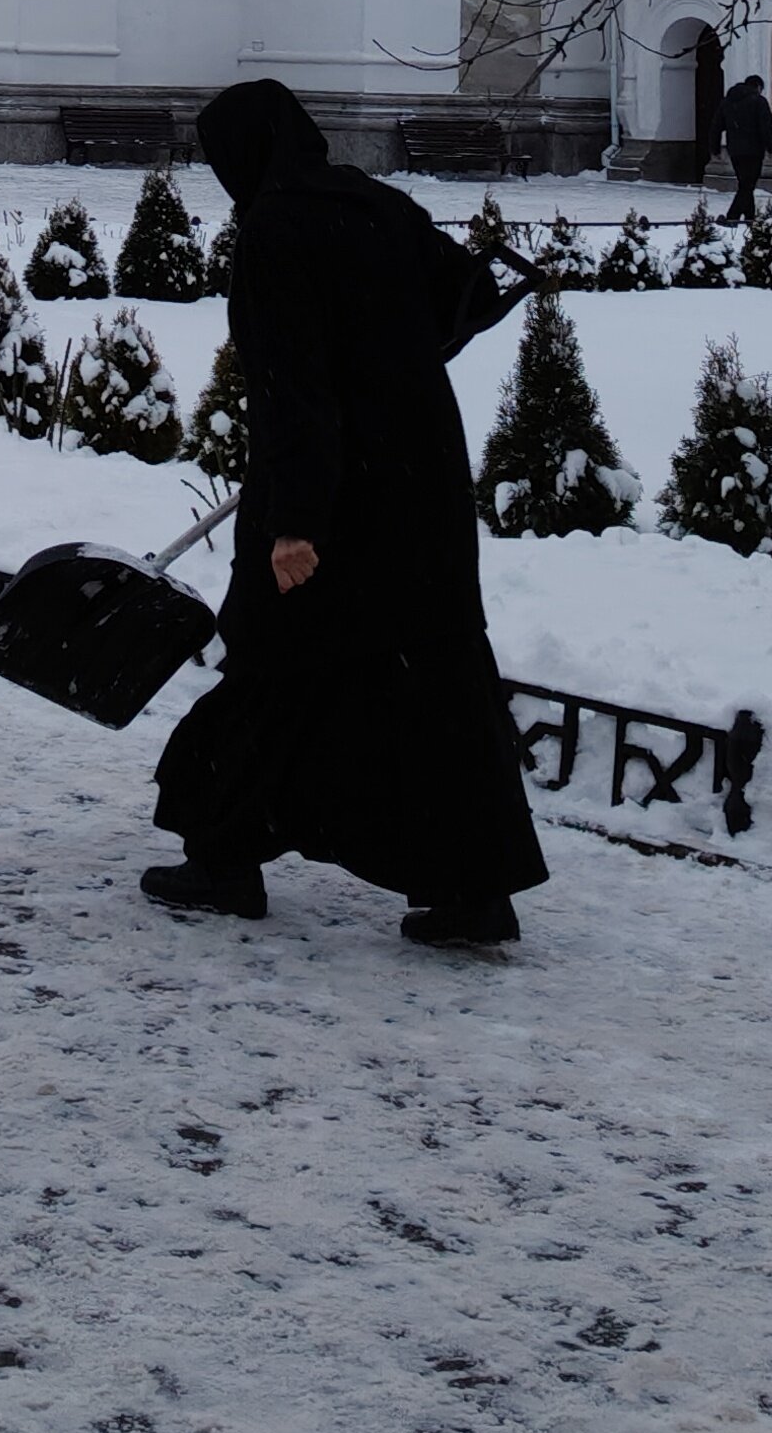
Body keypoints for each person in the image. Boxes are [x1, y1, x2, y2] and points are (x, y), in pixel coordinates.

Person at [147, 78, 547, 952]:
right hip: (421, 482)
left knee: (270, 663)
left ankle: (223, 857)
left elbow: (296, 388)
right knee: (428, 676)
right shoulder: (376, 203)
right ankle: (475, 890)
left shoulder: (274, 231)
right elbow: (462, 298)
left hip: (334, 496)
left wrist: (296, 521)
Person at [717, 71, 772, 227]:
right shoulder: (759, 101)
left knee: (745, 183)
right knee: (747, 184)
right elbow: (765, 126)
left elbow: (716, 125)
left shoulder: (728, 101)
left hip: (735, 150)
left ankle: (750, 217)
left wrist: (715, 148)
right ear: (758, 87)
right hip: (754, 150)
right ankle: (732, 216)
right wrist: (771, 148)